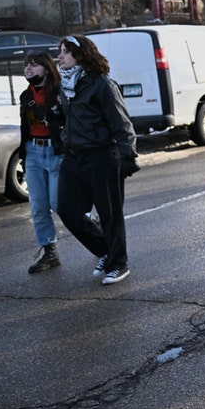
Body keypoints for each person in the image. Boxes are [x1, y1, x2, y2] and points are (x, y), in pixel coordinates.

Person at [54, 34, 138, 285]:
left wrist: (127, 156)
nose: (60, 56)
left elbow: (121, 123)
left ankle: (118, 264)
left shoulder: (102, 84)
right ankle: (105, 250)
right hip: (73, 157)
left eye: (66, 52)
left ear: (81, 55)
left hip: (102, 156)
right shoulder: (66, 84)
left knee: (109, 214)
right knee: (67, 210)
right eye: (60, 51)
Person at [20, 51, 64, 273]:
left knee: (59, 204)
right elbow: (24, 127)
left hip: (55, 152)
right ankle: (49, 251)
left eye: (34, 65)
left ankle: (90, 226)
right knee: (38, 206)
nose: (28, 69)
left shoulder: (59, 93)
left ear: (46, 68)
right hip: (33, 153)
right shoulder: (25, 96)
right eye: (26, 65)